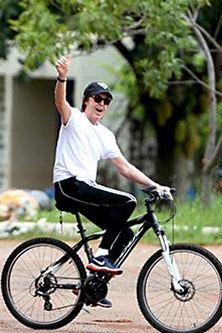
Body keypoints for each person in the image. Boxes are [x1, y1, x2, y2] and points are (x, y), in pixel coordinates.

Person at [51, 55, 172, 308]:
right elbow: (59, 102)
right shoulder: (73, 119)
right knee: (127, 201)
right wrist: (62, 77)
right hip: (69, 185)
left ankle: (93, 286)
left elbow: (125, 168)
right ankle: (102, 256)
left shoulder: (105, 135)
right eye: (97, 99)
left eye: (106, 101)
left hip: (84, 190)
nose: (102, 104)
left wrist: (155, 185)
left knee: (125, 232)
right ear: (86, 101)